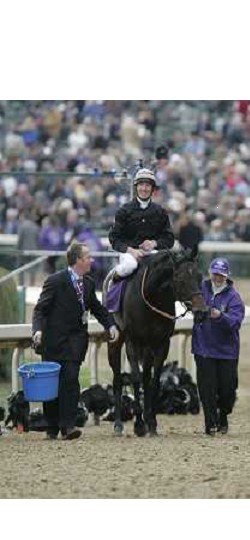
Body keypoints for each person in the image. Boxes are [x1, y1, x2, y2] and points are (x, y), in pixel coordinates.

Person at [32, 241, 119, 440]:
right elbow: (40, 309)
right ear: (78, 260)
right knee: (53, 385)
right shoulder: (55, 281)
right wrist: (37, 331)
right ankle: (52, 427)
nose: (92, 260)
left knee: (71, 381)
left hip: (75, 343)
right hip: (53, 342)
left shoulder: (87, 284)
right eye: (88, 257)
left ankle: (68, 426)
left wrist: (111, 325)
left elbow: (97, 308)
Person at [192, 258, 245, 436]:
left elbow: (235, 322)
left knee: (227, 391)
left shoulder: (234, 297)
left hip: (226, 352)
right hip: (203, 348)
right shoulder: (200, 289)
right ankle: (210, 423)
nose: (217, 278)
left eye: (221, 275)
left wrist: (219, 316)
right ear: (210, 272)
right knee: (207, 389)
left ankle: (223, 415)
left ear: (227, 276)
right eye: (215, 273)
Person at [108, 168, 175, 280]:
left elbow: (169, 239)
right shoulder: (124, 211)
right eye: (141, 185)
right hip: (129, 254)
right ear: (136, 187)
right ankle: (112, 282)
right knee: (130, 265)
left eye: (147, 186)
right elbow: (114, 239)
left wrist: (154, 243)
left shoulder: (160, 212)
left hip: (153, 253)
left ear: (152, 189)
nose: (144, 189)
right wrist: (131, 251)